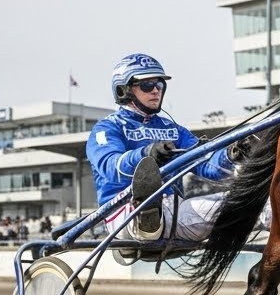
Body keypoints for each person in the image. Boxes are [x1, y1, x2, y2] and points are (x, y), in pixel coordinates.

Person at [88, 53, 259, 242]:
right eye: (147, 85)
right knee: (149, 206)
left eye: (159, 84)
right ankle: (148, 215)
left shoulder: (174, 130)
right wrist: (146, 154)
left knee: (256, 202)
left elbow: (207, 165)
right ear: (124, 90)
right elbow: (111, 167)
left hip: (177, 212)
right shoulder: (107, 128)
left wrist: (232, 154)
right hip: (123, 213)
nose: (156, 91)